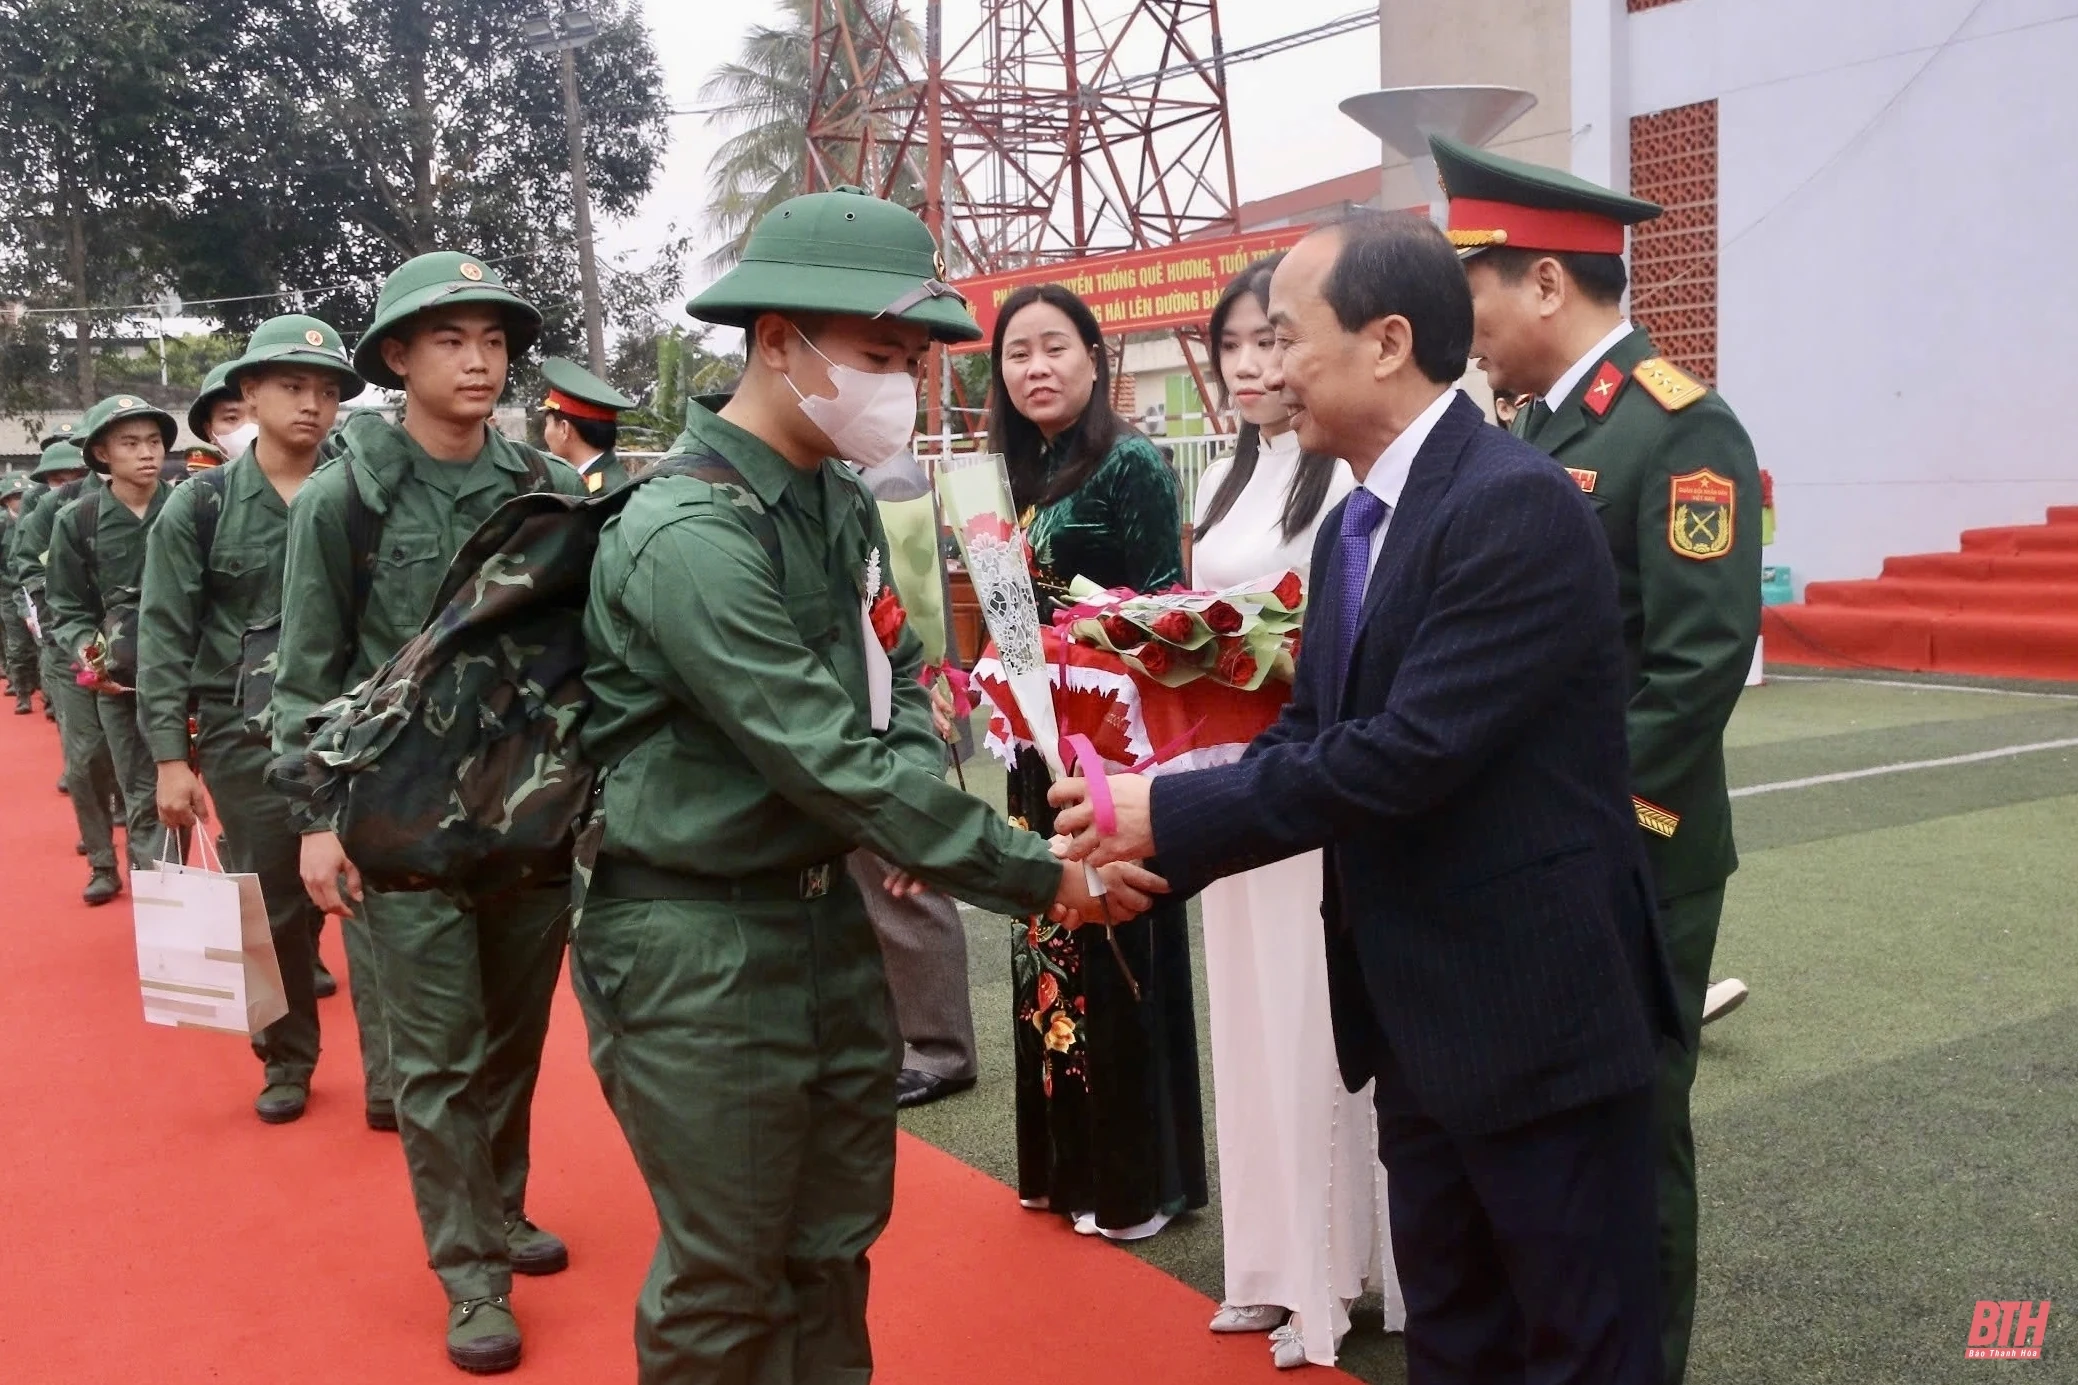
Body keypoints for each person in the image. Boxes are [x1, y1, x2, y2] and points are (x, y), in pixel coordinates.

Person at [1053, 211, 1680, 1385]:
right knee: (1453, 1335)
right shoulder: (1355, 517)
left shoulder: (1511, 504)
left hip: (1530, 1017)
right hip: (1414, 1019)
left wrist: (1169, 817)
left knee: (1579, 1343)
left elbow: (1406, 753)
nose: (1268, 365)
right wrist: (1155, 845)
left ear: (1386, 342)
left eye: (1288, 335)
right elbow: (1310, 732)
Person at [574, 185, 1146, 1384]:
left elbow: (899, 687)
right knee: (728, 1268)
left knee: (834, 1243)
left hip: (820, 917)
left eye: (917, 362)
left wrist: (904, 802)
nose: (905, 387)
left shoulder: (834, 503)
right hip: (694, 937)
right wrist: (1039, 874)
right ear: (778, 342)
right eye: (882, 357)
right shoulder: (685, 531)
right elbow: (817, 746)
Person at [1434, 132, 1763, 1385]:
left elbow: (1696, 664)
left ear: (1544, 285)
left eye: (1474, 291)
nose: (1464, 321)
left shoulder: (1678, 428)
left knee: (1630, 1125)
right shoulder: (1538, 424)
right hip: (1542, 847)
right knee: (1555, 1124)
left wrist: (1591, 826)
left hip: (1629, 849)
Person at [270, 252, 584, 1375]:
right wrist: (314, 816)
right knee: (438, 1061)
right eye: (450, 338)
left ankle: (499, 1205)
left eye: (493, 340)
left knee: (513, 1037)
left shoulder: (540, 484)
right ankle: (470, 1275)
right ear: (395, 358)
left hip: (523, 813)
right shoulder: (346, 495)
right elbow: (304, 673)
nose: (478, 359)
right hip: (398, 820)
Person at [1190, 255, 1399, 1370]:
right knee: (1248, 1017)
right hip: (1224, 774)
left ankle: (1339, 1265)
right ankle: (1266, 1263)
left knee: (1318, 1017)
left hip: (1311, 776)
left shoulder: (1344, 485)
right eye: (1233, 344)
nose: (1254, 363)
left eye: (1272, 339)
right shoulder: (1220, 483)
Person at [985, 282, 1207, 1242]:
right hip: (1034, 746)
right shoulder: (1021, 471)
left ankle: (1134, 1178)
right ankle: (1063, 1164)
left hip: (1114, 753)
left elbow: (1167, 621)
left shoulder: (1134, 467)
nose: (1035, 368)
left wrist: (1083, 653)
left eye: (1054, 348)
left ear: (1094, 355)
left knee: (1118, 940)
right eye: (1017, 353)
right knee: (1048, 938)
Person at [140, 314, 372, 1127]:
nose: (312, 404)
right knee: (273, 904)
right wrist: (171, 759)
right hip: (247, 736)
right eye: (291, 387)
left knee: (382, 897)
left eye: (326, 390)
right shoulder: (199, 507)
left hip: (359, 726)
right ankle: (287, 1058)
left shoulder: (361, 486)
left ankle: (397, 1073)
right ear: (248, 394)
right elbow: (163, 634)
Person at [46, 396, 175, 887]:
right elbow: (67, 606)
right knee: (142, 794)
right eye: (130, 443)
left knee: (224, 793)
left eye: (155, 441)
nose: (148, 453)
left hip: (195, 678)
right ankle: (160, 902)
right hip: (120, 684)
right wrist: (89, 652)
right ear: (102, 454)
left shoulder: (194, 505)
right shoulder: (77, 522)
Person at [537, 355, 638, 493]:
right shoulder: (607, 479)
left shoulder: (595, 494)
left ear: (564, 429)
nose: (546, 433)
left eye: (547, 424)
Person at [0, 474, 41, 714]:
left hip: (35, 587)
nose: (20, 500)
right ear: (6, 501)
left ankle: (48, 697)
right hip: (9, 590)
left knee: (43, 642)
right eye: (15, 496)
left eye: (24, 495)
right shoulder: (3, 525)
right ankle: (22, 692)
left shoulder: (37, 519)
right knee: (17, 645)